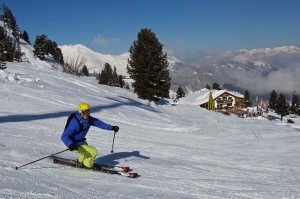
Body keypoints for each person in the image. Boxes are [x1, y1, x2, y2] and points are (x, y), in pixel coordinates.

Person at [61, 102, 119, 168]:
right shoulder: (75, 123)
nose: (86, 114)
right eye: (84, 112)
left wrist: (112, 127)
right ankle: (87, 164)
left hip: (81, 141)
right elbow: (64, 136)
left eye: (88, 112)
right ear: (80, 112)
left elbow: (99, 123)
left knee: (86, 152)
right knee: (93, 152)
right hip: (74, 144)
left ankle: (80, 161)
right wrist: (70, 144)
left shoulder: (89, 119)